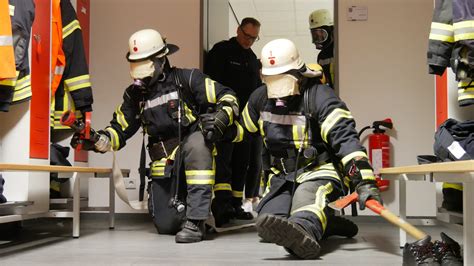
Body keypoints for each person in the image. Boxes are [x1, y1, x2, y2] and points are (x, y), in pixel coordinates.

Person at [76, 29, 239, 243]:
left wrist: (220, 118)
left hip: (190, 153)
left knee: (199, 142)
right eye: (135, 65)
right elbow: (119, 131)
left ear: (161, 60)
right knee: (166, 226)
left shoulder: (187, 79)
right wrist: (98, 140)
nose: (139, 72)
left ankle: (197, 220)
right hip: (163, 166)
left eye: (144, 64)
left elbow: (228, 96)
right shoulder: (135, 96)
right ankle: (187, 214)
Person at [234, 38, 382, 259]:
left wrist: (364, 181)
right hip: (282, 176)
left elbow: (346, 140)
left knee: (306, 200)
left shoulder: (320, 96)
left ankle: (306, 232)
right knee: (270, 224)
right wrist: (219, 127)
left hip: (319, 171)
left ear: (298, 73)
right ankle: (326, 223)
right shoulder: (260, 98)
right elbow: (242, 131)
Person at [205, 17, 262, 225]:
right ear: (238, 30)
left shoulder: (253, 59)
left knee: (242, 163)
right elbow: (211, 83)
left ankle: (236, 204)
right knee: (224, 162)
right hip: (225, 117)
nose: (249, 41)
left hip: (246, 121)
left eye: (254, 38)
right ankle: (222, 205)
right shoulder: (221, 51)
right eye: (247, 36)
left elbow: (257, 90)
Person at [309, 9, 335, 88]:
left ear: (331, 31)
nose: (317, 39)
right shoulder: (321, 56)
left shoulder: (340, 50)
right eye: (315, 35)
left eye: (321, 34)